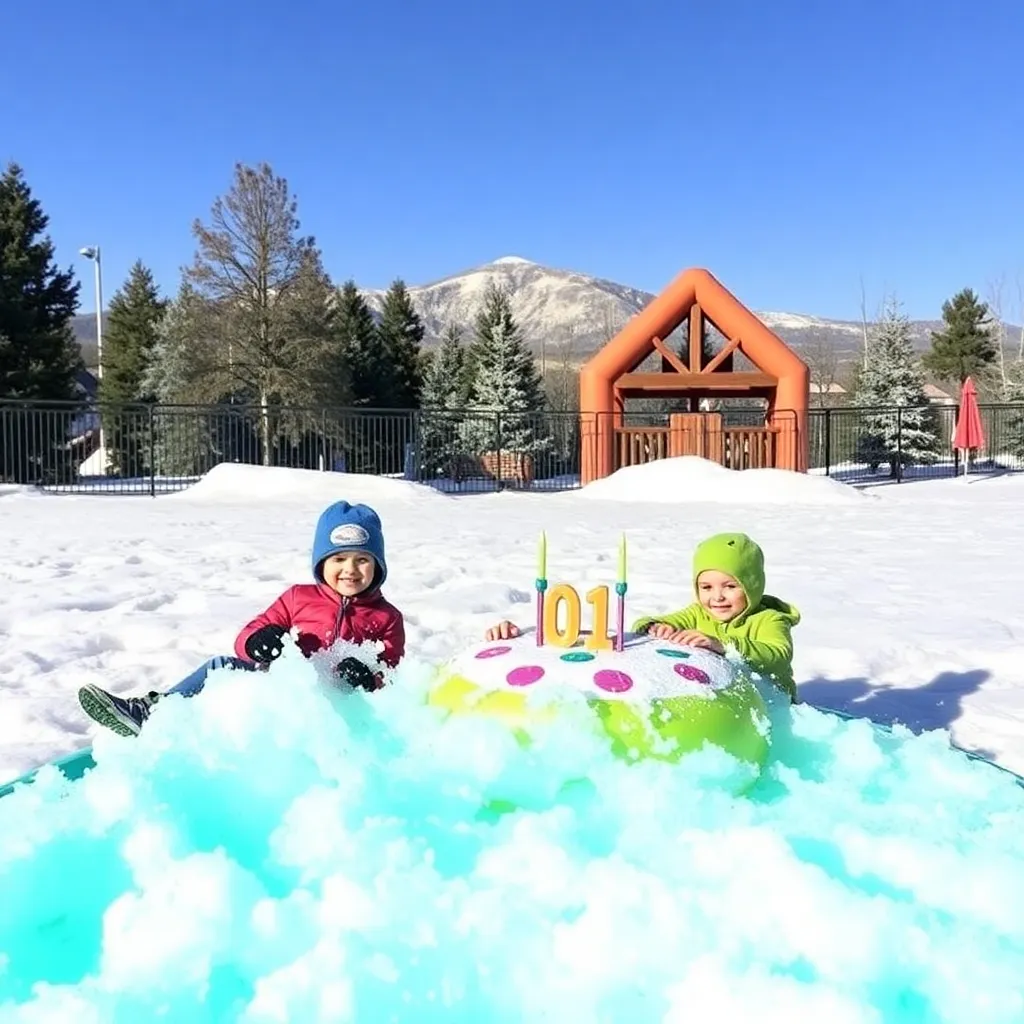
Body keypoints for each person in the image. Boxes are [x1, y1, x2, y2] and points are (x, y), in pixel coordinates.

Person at [77, 500, 406, 737]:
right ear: (321, 562)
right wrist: (257, 641)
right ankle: (153, 713)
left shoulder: (387, 617)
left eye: (363, 559)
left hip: (337, 708)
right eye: (339, 558)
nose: (350, 569)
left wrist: (367, 677)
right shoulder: (297, 597)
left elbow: (391, 669)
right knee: (221, 665)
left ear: (377, 565)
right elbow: (248, 636)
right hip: (279, 690)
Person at [485, 532, 800, 701]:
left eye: (730, 586)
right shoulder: (697, 613)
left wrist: (723, 644)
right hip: (724, 699)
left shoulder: (770, 619)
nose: (716, 597)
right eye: (706, 586)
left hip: (771, 707)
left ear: (752, 584)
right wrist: (655, 627)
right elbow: (645, 624)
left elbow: (778, 654)